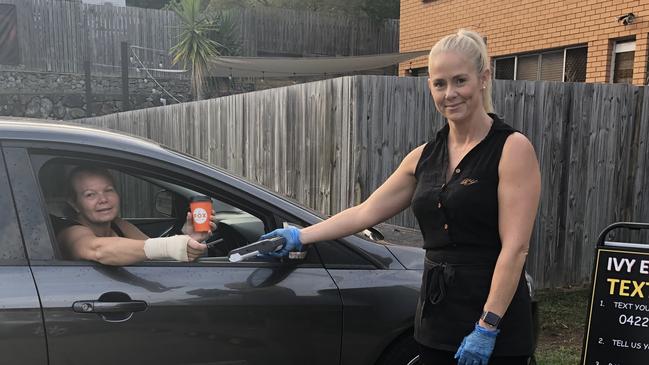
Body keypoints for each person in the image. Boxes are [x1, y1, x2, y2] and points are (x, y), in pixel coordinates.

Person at [262, 29, 541, 365]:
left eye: (460, 81)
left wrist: (488, 325)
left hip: (495, 321)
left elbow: (516, 248)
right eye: (439, 84)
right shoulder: (423, 156)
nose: (450, 93)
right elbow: (365, 213)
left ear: (483, 79)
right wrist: (300, 235)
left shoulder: (512, 149)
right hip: (437, 318)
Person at [54, 166, 214, 265]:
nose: (103, 200)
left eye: (109, 190)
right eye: (90, 195)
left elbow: (154, 252)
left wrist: (187, 236)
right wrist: (171, 245)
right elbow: (98, 250)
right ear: (74, 203)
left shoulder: (119, 224)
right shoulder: (70, 232)